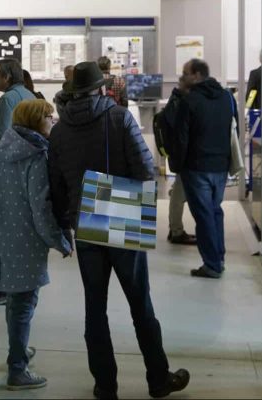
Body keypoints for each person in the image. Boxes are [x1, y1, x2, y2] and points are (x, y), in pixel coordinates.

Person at [49, 61, 190, 400]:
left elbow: (55, 186)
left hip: (84, 219)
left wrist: (64, 224)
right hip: (120, 211)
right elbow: (145, 168)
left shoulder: (59, 130)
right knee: (140, 302)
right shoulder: (118, 117)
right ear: (101, 88)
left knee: (94, 307)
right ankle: (158, 379)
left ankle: (105, 385)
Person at [0, 99, 72, 391]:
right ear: (38, 120)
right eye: (50, 117)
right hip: (26, 237)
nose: (53, 121)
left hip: (2, 233)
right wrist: (59, 241)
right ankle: (17, 369)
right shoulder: (36, 155)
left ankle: (19, 351)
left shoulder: (3, 148)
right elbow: (40, 207)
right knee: (24, 303)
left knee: (15, 299)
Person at [169, 59, 236, 279]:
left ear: (197, 75)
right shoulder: (227, 98)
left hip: (197, 167)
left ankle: (212, 264)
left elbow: (181, 138)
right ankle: (219, 258)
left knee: (204, 215)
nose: (183, 76)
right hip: (220, 166)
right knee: (215, 211)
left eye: (185, 73)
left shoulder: (190, 101)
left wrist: (176, 165)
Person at [0, 58, 36, 306]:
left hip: (6, 173)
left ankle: (2, 288)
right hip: (29, 171)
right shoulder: (31, 96)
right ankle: (21, 285)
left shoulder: (7, 99)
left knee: (0, 232)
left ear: (7, 77)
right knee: (23, 231)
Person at [158, 76, 196, 245]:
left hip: (181, 155)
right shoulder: (179, 103)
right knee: (179, 195)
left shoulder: (176, 101)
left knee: (178, 193)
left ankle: (175, 229)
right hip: (184, 156)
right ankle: (176, 231)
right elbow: (180, 133)